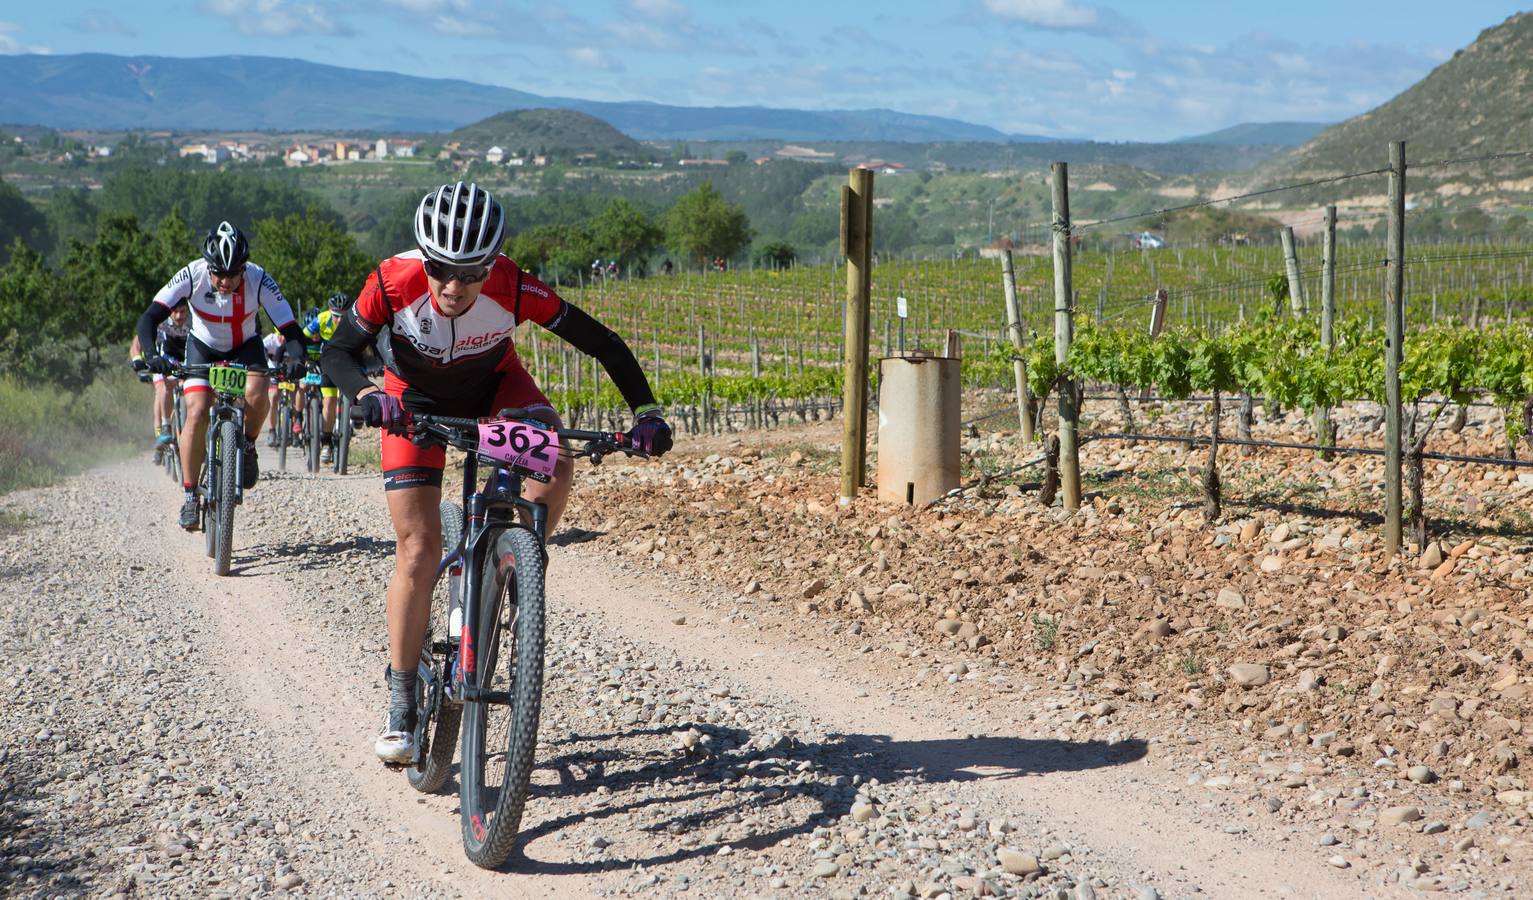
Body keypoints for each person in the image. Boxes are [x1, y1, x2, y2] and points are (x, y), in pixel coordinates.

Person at [322, 182, 672, 764]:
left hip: (496, 389)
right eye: (441, 269)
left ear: (493, 266)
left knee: (555, 461)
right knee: (417, 550)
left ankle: (513, 563)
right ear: (424, 258)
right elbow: (337, 351)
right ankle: (403, 701)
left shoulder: (514, 286)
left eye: (473, 272)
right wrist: (365, 392)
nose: (454, 287)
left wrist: (646, 412)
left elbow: (603, 343)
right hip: (412, 400)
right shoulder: (391, 280)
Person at [136, 221, 307, 530]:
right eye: (219, 273)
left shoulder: (259, 278)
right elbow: (149, 318)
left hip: (246, 344)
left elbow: (290, 328)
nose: (226, 281)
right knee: (197, 411)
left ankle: (250, 446)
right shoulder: (192, 274)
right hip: (203, 346)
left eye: (233, 274)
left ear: (244, 269)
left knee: (258, 392)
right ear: (208, 267)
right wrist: (151, 355)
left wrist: (297, 357)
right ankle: (190, 496)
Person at [130, 301, 190, 461]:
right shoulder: (162, 322)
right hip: (167, 358)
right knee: (163, 387)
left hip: (188, 357)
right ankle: (163, 428)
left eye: (183, 312)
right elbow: (137, 342)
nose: (179, 316)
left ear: (188, 310)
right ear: (169, 312)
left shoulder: (194, 321)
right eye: (175, 312)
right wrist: (137, 358)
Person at [302, 292, 349, 464]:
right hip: (327, 363)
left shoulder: (353, 320)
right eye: (336, 316)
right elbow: (303, 337)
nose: (338, 320)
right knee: (329, 400)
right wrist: (305, 359)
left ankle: (353, 421)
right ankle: (326, 442)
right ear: (330, 311)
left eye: (342, 317)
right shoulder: (321, 319)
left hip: (346, 362)